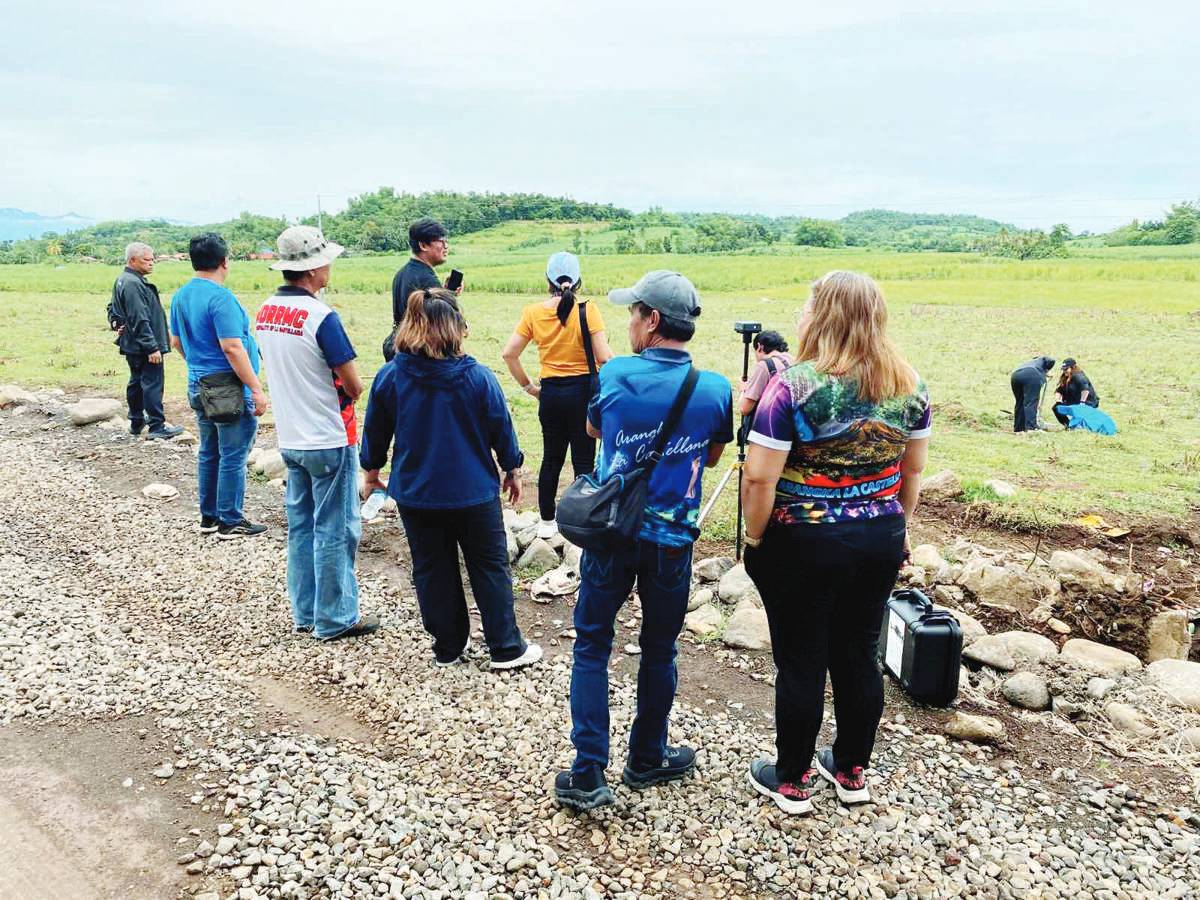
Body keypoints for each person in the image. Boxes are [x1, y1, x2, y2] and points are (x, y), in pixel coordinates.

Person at [741, 271, 930, 816]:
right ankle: (850, 770)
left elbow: (758, 479)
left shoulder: (793, 386)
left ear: (822, 315)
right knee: (858, 654)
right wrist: (895, 525)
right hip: (879, 535)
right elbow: (912, 472)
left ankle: (792, 779)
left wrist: (755, 535)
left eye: (808, 303)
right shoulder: (911, 384)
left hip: (803, 540)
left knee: (801, 660)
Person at [555, 270, 733, 812]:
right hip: (672, 541)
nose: (629, 322)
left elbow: (593, 434)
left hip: (612, 535)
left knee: (592, 644)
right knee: (660, 649)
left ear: (652, 320)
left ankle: (587, 771)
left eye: (633, 313)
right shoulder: (716, 388)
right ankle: (646, 757)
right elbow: (713, 455)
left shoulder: (615, 376)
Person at [360, 287, 542, 670]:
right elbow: (501, 429)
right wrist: (513, 468)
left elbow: (375, 432)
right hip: (473, 491)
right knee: (489, 566)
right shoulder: (477, 377)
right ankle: (505, 647)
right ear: (457, 327)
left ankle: (447, 646)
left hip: (417, 492)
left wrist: (371, 473)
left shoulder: (391, 377)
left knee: (431, 567)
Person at [254, 226, 378, 641]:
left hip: (290, 436)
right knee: (336, 528)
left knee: (302, 526)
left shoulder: (266, 311)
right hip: (328, 435)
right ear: (312, 268)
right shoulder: (322, 317)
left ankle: (305, 611)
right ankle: (335, 617)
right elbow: (354, 383)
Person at [501, 251, 614, 538]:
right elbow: (604, 358)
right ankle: (582, 520)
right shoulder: (588, 310)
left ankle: (547, 523)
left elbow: (509, 354)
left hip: (550, 394)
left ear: (548, 279)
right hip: (583, 393)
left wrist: (530, 388)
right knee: (584, 461)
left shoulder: (532, 313)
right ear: (577, 281)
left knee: (551, 458)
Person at [169, 233, 268, 538]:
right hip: (227, 389)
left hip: (198, 384)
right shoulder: (221, 298)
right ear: (225, 261)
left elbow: (175, 341)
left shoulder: (180, 296)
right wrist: (255, 387)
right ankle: (230, 518)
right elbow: (232, 348)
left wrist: (198, 365)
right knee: (234, 454)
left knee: (210, 451)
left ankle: (209, 516)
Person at [107, 242, 182, 439]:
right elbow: (139, 317)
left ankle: (136, 421)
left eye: (152, 259)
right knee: (152, 383)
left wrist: (116, 323)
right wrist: (151, 347)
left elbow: (113, 309)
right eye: (146, 260)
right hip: (143, 345)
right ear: (132, 260)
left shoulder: (124, 280)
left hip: (132, 343)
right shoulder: (132, 283)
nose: (151, 263)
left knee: (137, 382)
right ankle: (157, 426)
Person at [383, 218, 458, 361]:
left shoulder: (402, 273)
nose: (446, 246)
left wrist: (446, 293)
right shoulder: (427, 279)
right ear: (423, 245)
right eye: (441, 241)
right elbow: (444, 322)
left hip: (402, 349)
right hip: (421, 355)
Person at [737, 329, 794, 419]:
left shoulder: (764, 366)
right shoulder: (791, 359)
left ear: (760, 347)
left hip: (772, 424)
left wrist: (743, 390)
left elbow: (744, 408)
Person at [1010, 355, 1055, 432]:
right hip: (1032, 375)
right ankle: (1032, 428)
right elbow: (1050, 362)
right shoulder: (1045, 361)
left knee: (1020, 402)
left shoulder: (1032, 362)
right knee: (1031, 402)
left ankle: (1019, 428)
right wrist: (1045, 372)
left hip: (1015, 375)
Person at [1053, 358, 1100, 426]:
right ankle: (1068, 425)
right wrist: (1058, 401)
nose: (1064, 371)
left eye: (1066, 369)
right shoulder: (1066, 377)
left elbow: (1085, 390)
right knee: (1056, 407)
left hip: (1087, 403)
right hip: (1075, 402)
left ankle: (1078, 425)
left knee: (1080, 420)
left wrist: (1082, 403)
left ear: (1073, 367)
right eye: (1063, 369)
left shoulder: (1079, 376)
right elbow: (1059, 390)